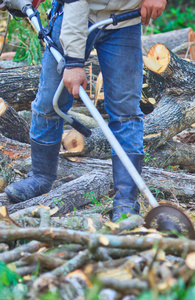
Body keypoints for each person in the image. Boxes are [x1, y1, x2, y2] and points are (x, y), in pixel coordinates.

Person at [5, 0, 167, 221]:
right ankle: (41, 178)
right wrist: (72, 62)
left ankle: (126, 200)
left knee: (126, 112)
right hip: (75, 14)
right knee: (50, 101)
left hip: (125, 19)